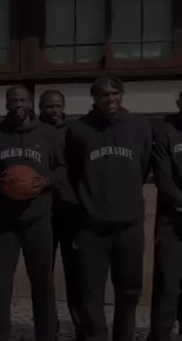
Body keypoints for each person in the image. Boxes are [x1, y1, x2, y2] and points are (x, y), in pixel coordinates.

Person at [65, 77, 151, 341]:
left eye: (115, 93)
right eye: (103, 94)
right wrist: (84, 210)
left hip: (130, 225)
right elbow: (71, 174)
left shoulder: (140, 127)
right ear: (94, 98)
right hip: (92, 227)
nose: (110, 98)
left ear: (122, 94)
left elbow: (144, 167)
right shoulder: (79, 130)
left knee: (129, 290)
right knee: (91, 292)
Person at [0, 85, 63, 341]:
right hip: (4, 222)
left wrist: (46, 181)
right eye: (13, 100)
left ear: (30, 103)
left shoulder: (49, 134)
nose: (18, 104)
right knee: (1, 284)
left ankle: (46, 335)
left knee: (42, 283)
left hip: (38, 220)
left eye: (22, 100)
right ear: (6, 104)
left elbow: (63, 169)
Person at [38, 89, 84, 339]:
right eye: (48, 107)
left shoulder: (75, 131)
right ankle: (48, 329)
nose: (53, 111)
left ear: (64, 107)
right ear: (40, 108)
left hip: (70, 211)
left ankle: (80, 328)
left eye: (57, 106)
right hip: (42, 211)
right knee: (44, 273)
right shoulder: (33, 132)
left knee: (76, 273)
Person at [149, 91, 182, 341]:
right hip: (173, 222)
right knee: (168, 284)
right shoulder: (166, 132)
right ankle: (160, 335)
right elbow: (163, 176)